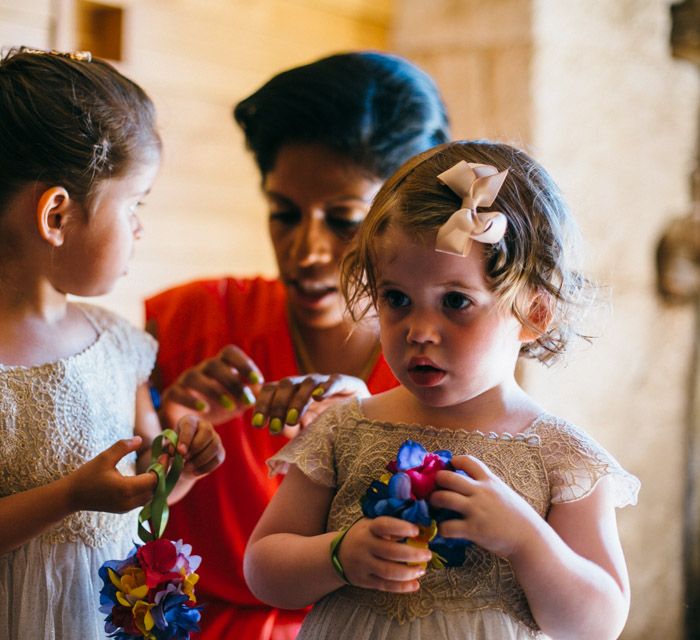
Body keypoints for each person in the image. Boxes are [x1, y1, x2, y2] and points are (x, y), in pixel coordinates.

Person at [245, 140, 641, 640]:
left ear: (534, 314)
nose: (419, 330)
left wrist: (526, 540)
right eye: (397, 298)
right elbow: (263, 568)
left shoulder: (563, 458)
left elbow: (598, 623)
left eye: (455, 301)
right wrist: (338, 555)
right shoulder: (345, 428)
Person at [145, 51, 450, 639]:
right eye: (284, 214)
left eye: (343, 221)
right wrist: (168, 438)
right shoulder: (184, 325)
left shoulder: (446, 370)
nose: (305, 251)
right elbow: (99, 533)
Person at [0, 47, 224, 639]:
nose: (141, 228)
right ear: (56, 215)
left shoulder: (120, 345)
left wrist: (178, 467)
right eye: (135, 205)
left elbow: (146, 475)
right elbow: (85, 495)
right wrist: (70, 495)